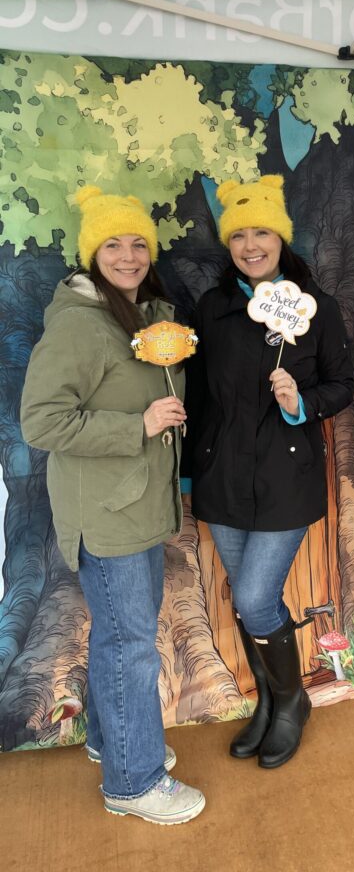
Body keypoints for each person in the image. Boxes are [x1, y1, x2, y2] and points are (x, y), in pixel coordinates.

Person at [20, 186, 204, 825]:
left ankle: (109, 741)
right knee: (131, 645)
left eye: (137, 245)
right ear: (90, 252)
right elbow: (41, 422)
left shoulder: (144, 314)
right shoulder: (80, 323)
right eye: (112, 245)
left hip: (138, 505)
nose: (127, 255)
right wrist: (139, 425)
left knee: (122, 637)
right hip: (106, 512)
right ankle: (134, 783)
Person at [183, 174, 354, 769]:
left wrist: (299, 402)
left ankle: (291, 702)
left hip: (286, 477)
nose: (251, 245)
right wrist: (189, 474)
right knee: (245, 599)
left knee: (256, 598)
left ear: (282, 238)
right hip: (222, 476)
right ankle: (270, 703)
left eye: (262, 232)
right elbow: (200, 399)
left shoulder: (318, 308)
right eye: (239, 235)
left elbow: (343, 387)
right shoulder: (213, 307)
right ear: (228, 244)